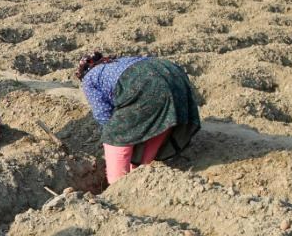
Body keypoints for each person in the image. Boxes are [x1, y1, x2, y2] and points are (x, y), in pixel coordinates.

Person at [76, 51, 201, 184]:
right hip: (172, 73)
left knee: (114, 133)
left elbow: (103, 114)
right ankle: (141, 168)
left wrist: (118, 135)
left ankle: (117, 185)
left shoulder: (89, 79)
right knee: (162, 120)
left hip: (148, 82)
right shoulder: (117, 62)